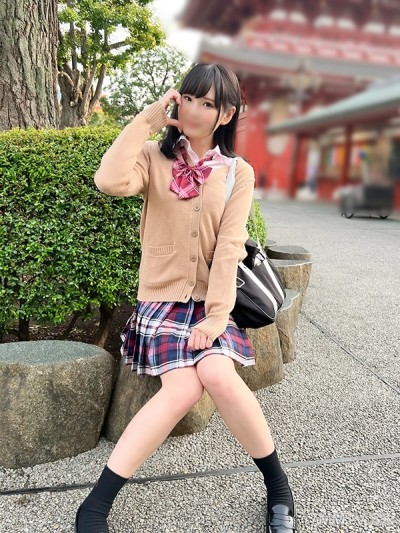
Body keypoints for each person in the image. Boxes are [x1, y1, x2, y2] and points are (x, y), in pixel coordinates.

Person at [75, 63, 297, 533]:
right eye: (189, 98)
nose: (194, 110)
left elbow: (230, 246)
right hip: (161, 300)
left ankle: (279, 488)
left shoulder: (237, 172)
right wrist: (147, 121)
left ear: (226, 114)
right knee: (183, 389)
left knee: (217, 374)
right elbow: (108, 181)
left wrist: (216, 317)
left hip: (213, 302)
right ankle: (95, 506)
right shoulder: (154, 158)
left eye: (208, 103)